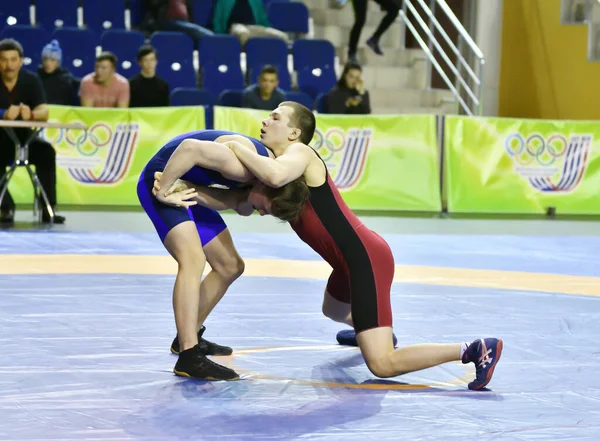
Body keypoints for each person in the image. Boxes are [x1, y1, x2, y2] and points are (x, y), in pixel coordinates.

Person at [207, 102, 502, 390]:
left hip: (365, 259)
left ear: (294, 133)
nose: (264, 122)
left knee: (383, 364)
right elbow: (241, 202)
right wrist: (190, 189)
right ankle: (371, 329)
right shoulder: (276, 164)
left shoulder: (302, 154)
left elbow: (274, 175)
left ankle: (474, 349)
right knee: (332, 310)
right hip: (346, 263)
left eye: (274, 117)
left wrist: (236, 147)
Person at [140, 129, 309, 381]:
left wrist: (191, 188)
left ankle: (188, 334)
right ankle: (189, 356)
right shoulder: (242, 169)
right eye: (264, 208)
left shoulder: (263, 178)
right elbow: (189, 148)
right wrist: (164, 188)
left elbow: (224, 199)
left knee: (230, 266)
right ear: (266, 187)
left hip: (183, 186)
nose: (260, 213)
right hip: (159, 179)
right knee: (193, 259)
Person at [0, 38, 65, 224]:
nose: (9, 65)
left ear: (21, 61)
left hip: (25, 139)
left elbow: (44, 111)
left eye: (13, 60)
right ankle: (5, 207)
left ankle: (48, 208)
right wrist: (4, 113)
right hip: (0, 140)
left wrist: (32, 114)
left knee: (46, 152)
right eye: (4, 60)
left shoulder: (31, 80)